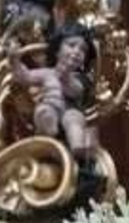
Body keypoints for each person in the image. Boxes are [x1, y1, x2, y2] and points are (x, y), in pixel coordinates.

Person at [6, 22, 98, 161]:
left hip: (71, 110)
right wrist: (15, 61)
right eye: (71, 45)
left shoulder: (79, 78)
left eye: (83, 50)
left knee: (73, 120)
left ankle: (77, 152)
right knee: (44, 112)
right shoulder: (46, 73)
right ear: (57, 50)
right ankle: (49, 140)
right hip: (51, 107)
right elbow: (24, 77)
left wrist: (65, 74)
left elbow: (75, 90)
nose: (77, 52)